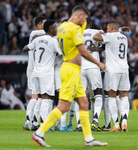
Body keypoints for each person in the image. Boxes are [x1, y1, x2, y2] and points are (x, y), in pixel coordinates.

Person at [31, 5, 107, 147]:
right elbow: (83, 51)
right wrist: (99, 63)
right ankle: (39, 133)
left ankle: (89, 139)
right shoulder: (74, 28)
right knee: (64, 106)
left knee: (84, 103)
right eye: (84, 18)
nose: (84, 21)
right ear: (79, 15)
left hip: (73, 69)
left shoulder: (63, 27)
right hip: (70, 69)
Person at [23, 19, 62, 130]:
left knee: (40, 98)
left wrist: (33, 45)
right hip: (46, 73)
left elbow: (24, 49)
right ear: (50, 29)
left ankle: (34, 123)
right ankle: (44, 125)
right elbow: (61, 55)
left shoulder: (37, 39)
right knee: (46, 98)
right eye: (55, 27)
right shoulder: (53, 41)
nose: (57, 29)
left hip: (36, 72)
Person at [93, 20, 130, 132]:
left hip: (112, 70)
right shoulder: (124, 38)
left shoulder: (110, 35)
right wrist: (119, 30)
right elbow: (116, 35)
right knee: (124, 95)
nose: (106, 30)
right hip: (124, 69)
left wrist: (100, 31)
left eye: (108, 28)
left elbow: (95, 37)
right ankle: (124, 121)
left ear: (112, 29)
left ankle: (116, 124)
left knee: (111, 96)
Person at [23, 16, 46, 131]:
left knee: (38, 96)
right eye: (45, 24)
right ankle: (28, 121)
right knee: (35, 96)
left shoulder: (43, 37)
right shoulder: (34, 34)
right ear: (39, 25)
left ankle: (31, 120)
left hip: (38, 70)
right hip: (33, 70)